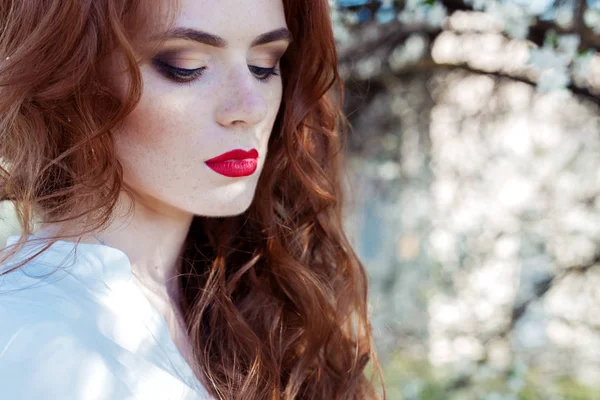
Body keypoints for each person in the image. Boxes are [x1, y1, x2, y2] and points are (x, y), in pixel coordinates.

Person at [0, 0, 385, 399]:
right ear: (69, 77)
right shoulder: (25, 334)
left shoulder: (253, 308)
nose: (249, 108)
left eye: (264, 64)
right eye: (186, 66)